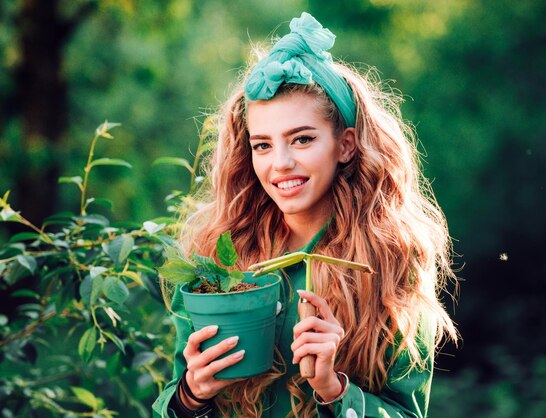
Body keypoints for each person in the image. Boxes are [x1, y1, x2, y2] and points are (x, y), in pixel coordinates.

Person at [152, 12, 457, 418]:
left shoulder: (392, 261)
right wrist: (191, 395)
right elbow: (170, 402)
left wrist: (334, 390)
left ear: (345, 145)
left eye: (302, 139)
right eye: (262, 145)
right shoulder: (215, 254)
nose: (280, 163)